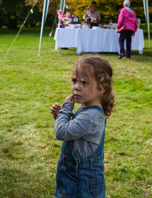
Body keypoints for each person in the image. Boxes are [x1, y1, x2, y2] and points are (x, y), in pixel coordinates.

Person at [50, 55, 115, 197]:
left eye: (84, 82)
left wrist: (66, 109)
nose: (77, 87)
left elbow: (61, 132)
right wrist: (61, 115)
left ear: (101, 88)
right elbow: (75, 129)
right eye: (74, 80)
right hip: (75, 174)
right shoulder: (87, 107)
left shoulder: (91, 116)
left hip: (81, 181)